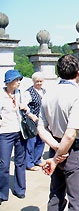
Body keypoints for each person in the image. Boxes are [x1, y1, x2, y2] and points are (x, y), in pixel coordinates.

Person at [37, 54, 79, 210]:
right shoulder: (78, 94)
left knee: (56, 195)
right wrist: (58, 155)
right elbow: (71, 134)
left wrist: (55, 150)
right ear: (78, 72)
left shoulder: (48, 94)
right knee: (78, 200)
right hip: (73, 151)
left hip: (55, 147)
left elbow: (40, 127)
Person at [0, 70, 28, 204]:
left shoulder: (20, 93)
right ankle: (2, 193)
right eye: (16, 80)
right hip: (5, 133)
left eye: (19, 80)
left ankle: (20, 189)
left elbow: (26, 110)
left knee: (20, 162)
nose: (18, 82)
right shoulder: (1, 95)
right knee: (4, 164)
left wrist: (25, 108)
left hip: (20, 132)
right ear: (9, 82)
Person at [23, 72, 46, 171]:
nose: (39, 83)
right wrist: (30, 115)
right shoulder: (28, 92)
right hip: (32, 120)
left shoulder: (44, 91)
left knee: (41, 140)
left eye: (41, 81)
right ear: (33, 81)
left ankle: (37, 159)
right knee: (31, 142)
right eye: (37, 81)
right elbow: (24, 106)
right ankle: (29, 163)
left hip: (42, 120)